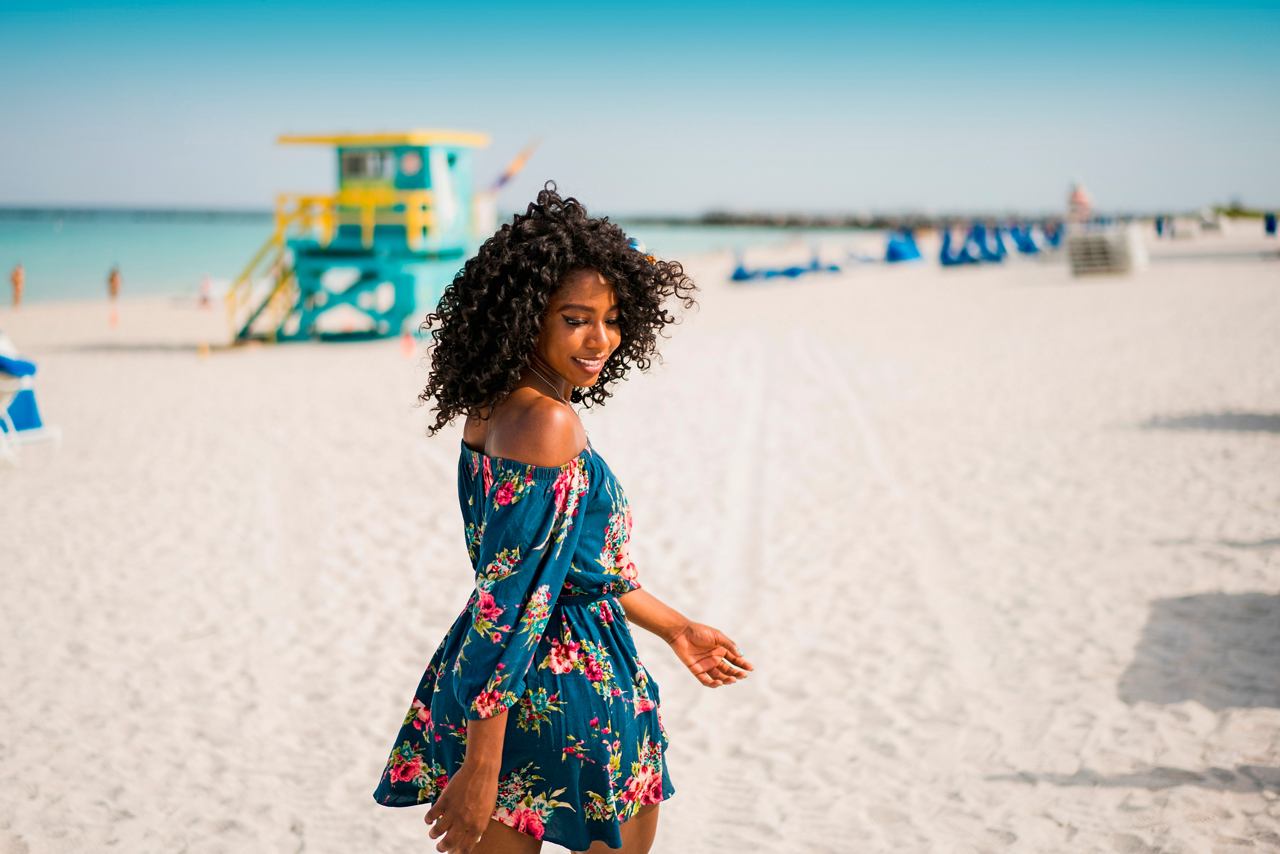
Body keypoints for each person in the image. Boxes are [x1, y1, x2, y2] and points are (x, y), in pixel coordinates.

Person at [372, 184, 753, 854]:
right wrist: (483, 762)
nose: (600, 338)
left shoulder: (493, 407)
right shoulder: (548, 420)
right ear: (528, 317)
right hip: (570, 689)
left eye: (610, 318)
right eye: (576, 318)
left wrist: (676, 628)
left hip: (489, 680)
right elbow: (512, 598)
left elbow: (570, 569)